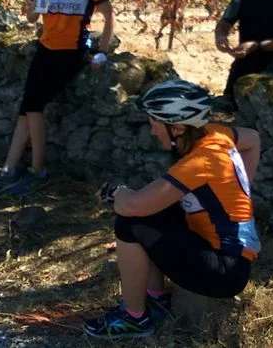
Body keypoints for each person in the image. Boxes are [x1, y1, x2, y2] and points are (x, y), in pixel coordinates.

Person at [83, 79, 261, 340]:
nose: (152, 131)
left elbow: (132, 205)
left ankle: (135, 319)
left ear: (176, 128)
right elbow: (253, 139)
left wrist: (114, 192)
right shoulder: (215, 134)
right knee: (156, 213)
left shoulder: (200, 161)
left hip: (224, 272)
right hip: (230, 260)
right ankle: (156, 299)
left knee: (129, 223)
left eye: (154, 123)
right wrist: (242, 189)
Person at [0, 0, 114, 200]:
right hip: (46, 49)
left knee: (34, 108)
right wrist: (36, 10)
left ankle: (36, 170)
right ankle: (9, 170)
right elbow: (30, 18)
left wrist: (102, 51)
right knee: (26, 111)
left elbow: (110, 16)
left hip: (71, 52)